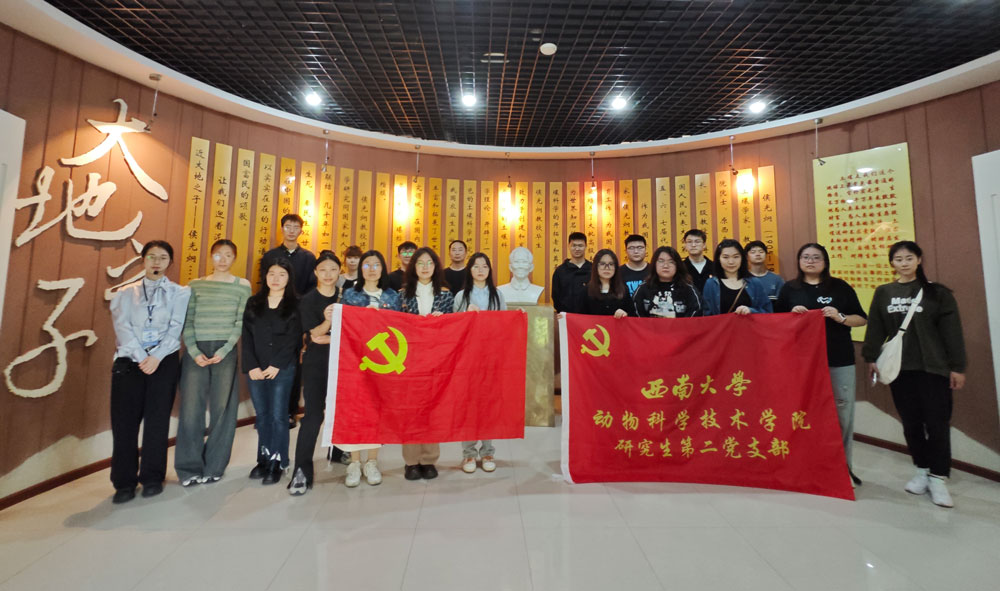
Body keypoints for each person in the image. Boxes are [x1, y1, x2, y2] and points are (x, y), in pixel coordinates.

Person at [862, 241, 966, 508]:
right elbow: (876, 327)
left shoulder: (937, 293)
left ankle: (938, 477)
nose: (904, 263)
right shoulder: (884, 292)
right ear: (892, 263)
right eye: (898, 259)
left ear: (919, 260)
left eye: (909, 258)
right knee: (911, 423)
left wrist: (957, 366)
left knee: (937, 423)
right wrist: (871, 357)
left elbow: (952, 332)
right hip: (900, 370)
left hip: (934, 369)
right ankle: (921, 469)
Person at [775, 243, 866, 486]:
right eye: (805, 257)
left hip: (839, 359)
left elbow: (861, 319)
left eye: (816, 257)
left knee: (842, 414)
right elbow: (776, 323)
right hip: (801, 363)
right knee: (803, 414)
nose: (811, 261)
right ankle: (807, 466)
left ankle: (843, 468)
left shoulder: (840, 287)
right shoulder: (789, 289)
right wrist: (791, 315)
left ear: (825, 262)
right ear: (799, 261)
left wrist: (840, 317)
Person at [108, 240, 190, 504]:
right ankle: (124, 482)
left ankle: (153, 477)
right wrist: (142, 357)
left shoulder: (180, 293)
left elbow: (176, 328)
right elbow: (122, 328)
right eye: (152, 256)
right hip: (129, 362)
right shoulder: (124, 294)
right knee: (124, 424)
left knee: (157, 421)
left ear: (170, 262)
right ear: (143, 260)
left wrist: (156, 357)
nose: (157, 262)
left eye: (163, 258)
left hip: (163, 361)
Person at [175, 239, 251, 488]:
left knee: (222, 409)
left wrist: (226, 349)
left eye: (228, 255)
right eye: (218, 254)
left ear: (234, 258)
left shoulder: (242, 286)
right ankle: (188, 468)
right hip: (195, 350)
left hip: (225, 351)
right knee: (191, 409)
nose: (223, 259)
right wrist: (193, 350)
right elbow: (188, 320)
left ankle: (215, 466)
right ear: (211, 257)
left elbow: (240, 321)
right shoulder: (195, 285)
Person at [340, 250, 401, 486]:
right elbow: (343, 326)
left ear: (383, 269)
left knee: (377, 411)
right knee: (355, 411)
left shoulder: (392, 296)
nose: (372, 269)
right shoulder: (350, 294)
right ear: (360, 269)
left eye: (376, 265)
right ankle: (354, 462)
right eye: (367, 265)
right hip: (355, 362)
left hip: (382, 363)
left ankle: (372, 461)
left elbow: (400, 327)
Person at [289, 251, 346, 495]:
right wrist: (327, 321)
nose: (328, 274)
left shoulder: (346, 295)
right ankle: (301, 470)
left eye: (333, 269)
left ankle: (339, 451)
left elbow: (351, 332)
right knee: (313, 415)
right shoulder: (308, 300)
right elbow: (314, 335)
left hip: (344, 361)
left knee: (342, 410)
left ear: (339, 272)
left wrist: (328, 337)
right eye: (323, 270)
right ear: (315, 272)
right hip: (316, 363)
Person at [242, 257, 301, 485]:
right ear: (265, 277)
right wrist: (252, 366)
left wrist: (276, 364)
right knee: (263, 415)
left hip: (282, 368)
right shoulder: (254, 302)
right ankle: (264, 458)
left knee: (278, 416)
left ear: (289, 278)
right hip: (256, 368)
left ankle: (278, 460)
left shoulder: (295, 304)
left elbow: (294, 338)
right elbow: (246, 336)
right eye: (271, 274)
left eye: (282, 274)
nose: (276, 279)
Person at [400, 247, 454, 481]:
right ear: (413, 266)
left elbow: (453, 328)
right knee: (410, 410)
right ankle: (411, 461)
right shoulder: (403, 294)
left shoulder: (446, 295)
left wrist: (444, 321)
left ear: (436, 267)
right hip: (409, 360)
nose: (425, 267)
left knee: (433, 409)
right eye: (420, 263)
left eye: (429, 263)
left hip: (436, 360)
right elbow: (393, 326)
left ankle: (429, 459)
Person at [259, 213, 316, 429]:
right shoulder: (270, 255)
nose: (291, 230)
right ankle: (267, 412)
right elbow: (262, 284)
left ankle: (290, 412)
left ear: (301, 230)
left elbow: (312, 288)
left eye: (296, 227)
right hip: (272, 313)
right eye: (287, 226)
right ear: (281, 229)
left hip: (297, 315)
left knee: (293, 362)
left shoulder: (308, 257)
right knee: (268, 358)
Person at [453, 253, 507, 473]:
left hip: (490, 357)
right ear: (470, 270)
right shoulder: (461, 295)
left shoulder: (498, 294)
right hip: (468, 357)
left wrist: (518, 316)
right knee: (468, 405)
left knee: (487, 405)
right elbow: (454, 326)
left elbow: (505, 324)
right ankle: (468, 453)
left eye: (485, 266)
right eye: (476, 266)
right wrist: (466, 314)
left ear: (489, 270)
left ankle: (487, 451)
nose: (481, 270)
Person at [701, 239, 772, 315]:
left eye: (736, 257)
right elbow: (706, 315)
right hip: (722, 323)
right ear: (718, 259)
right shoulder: (711, 284)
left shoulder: (754, 283)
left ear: (742, 258)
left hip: (749, 323)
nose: (731, 262)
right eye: (725, 257)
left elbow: (768, 311)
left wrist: (751, 311)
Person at [633, 246, 702, 318]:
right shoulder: (644, 287)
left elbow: (696, 311)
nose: (665, 266)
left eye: (671, 262)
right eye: (661, 261)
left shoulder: (688, 288)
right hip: (649, 325)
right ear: (654, 264)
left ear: (677, 265)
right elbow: (635, 313)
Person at [581, 249, 634, 317]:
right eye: (602, 264)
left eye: (611, 264)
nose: (607, 268)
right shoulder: (586, 291)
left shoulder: (623, 289)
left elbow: (632, 315)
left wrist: (625, 314)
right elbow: (579, 318)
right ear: (595, 266)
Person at [551, 232, 592, 313]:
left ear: (586, 246)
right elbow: (555, 296)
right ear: (569, 246)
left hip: (589, 317)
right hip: (567, 316)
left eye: (580, 246)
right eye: (574, 245)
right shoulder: (560, 271)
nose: (577, 249)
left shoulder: (593, 269)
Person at [682, 229, 713, 294]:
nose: (693, 245)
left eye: (697, 241)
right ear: (685, 245)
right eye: (689, 242)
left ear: (704, 245)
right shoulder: (680, 267)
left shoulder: (714, 266)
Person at [619, 234, 650, 298]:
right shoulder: (618, 272)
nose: (636, 251)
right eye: (631, 248)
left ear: (646, 249)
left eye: (640, 247)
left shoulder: (654, 270)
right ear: (626, 251)